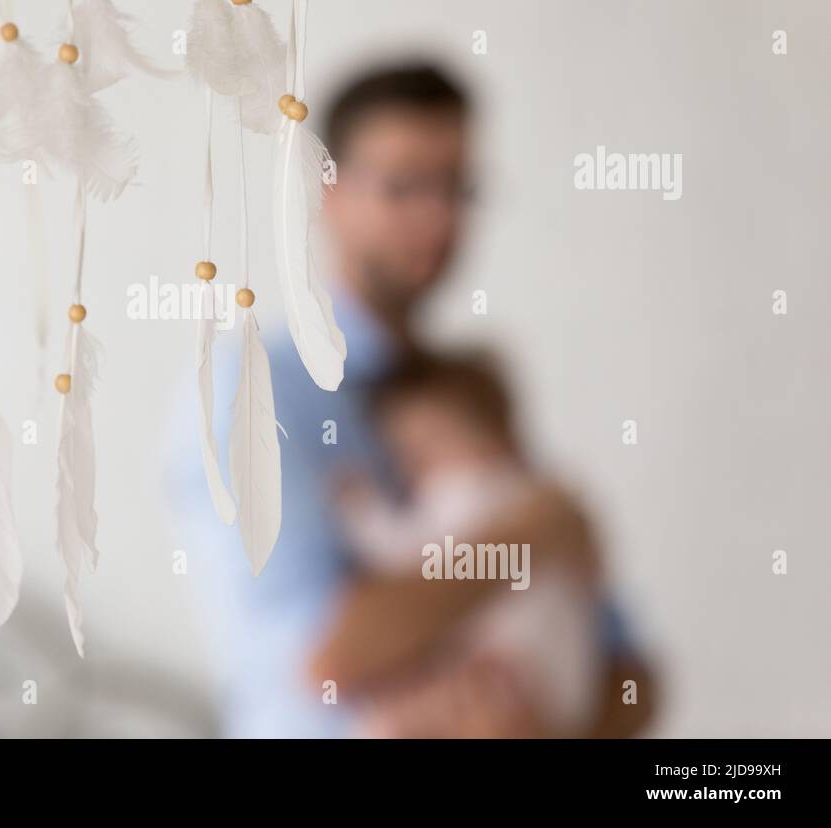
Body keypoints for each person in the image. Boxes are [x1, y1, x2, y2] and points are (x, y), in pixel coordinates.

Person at [172, 62, 655, 738]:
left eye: (457, 186)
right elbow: (325, 659)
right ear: (326, 195)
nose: (438, 217)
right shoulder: (259, 386)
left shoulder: (473, 387)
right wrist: (537, 529)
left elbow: (633, 676)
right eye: (404, 186)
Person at [337, 351, 603, 738]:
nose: (417, 468)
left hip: (506, 677)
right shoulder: (545, 497)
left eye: (428, 445)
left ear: (495, 435)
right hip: (568, 687)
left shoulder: (470, 492)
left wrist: (358, 508)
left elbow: (405, 552)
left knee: (383, 724)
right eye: (407, 453)